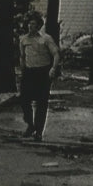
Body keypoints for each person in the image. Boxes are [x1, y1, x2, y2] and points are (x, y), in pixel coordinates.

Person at [18, 12, 61, 141]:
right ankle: (30, 125)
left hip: (43, 73)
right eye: (29, 24)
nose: (31, 26)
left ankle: (39, 131)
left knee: (42, 102)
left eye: (34, 24)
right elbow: (22, 56)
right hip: (29, 72)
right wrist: (22, 69)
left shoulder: (46, 38)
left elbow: (56, 54)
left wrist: (53, 68)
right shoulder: (23, 39)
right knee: (24, 99)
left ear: (38, 26)